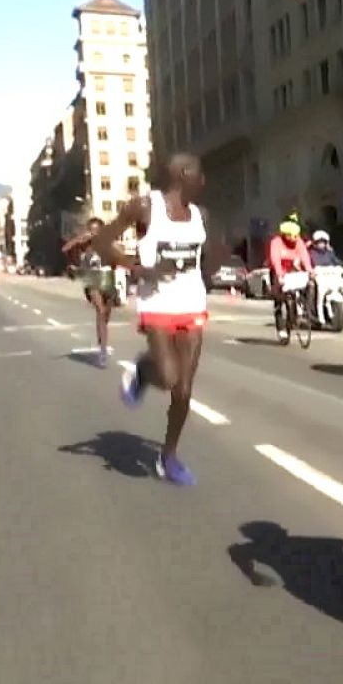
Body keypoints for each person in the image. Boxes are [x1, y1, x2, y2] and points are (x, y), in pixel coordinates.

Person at [90, 153, 225, 486]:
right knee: (167, 376)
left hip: (191, 302)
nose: (203, 181)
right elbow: (102, 242)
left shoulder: (201, 215)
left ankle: (169, 456)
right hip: (157, 302)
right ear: (181, 174)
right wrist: (137, 269)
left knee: (183, 392)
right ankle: (143, 370)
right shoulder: (144, 207)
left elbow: (213, 253)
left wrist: (209, 270)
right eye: (198, 174)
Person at [62, 217, 119, 367]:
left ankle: (102, 337)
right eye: (91, 230)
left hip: (107, 279)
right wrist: (79, 239)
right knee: (100, 311)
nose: (94, 233)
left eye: (97, 230)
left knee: (106, 314)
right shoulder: (84, 244)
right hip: (91, 280)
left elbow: (117, 257)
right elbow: (65, 249)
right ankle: (103, 352)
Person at [267, 220, 313, 341]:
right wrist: (279, 275)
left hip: (292, 270)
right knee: (279, 300)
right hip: (278, 272)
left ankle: (300, 309)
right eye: (290, 235)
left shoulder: (298, 242)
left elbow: (304, 256)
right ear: (284, 234)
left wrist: (309, 270)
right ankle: (280, 328)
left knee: (306, 285)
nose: (293, 238)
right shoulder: (276, 242)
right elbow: (275, 259)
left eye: (295, 235)